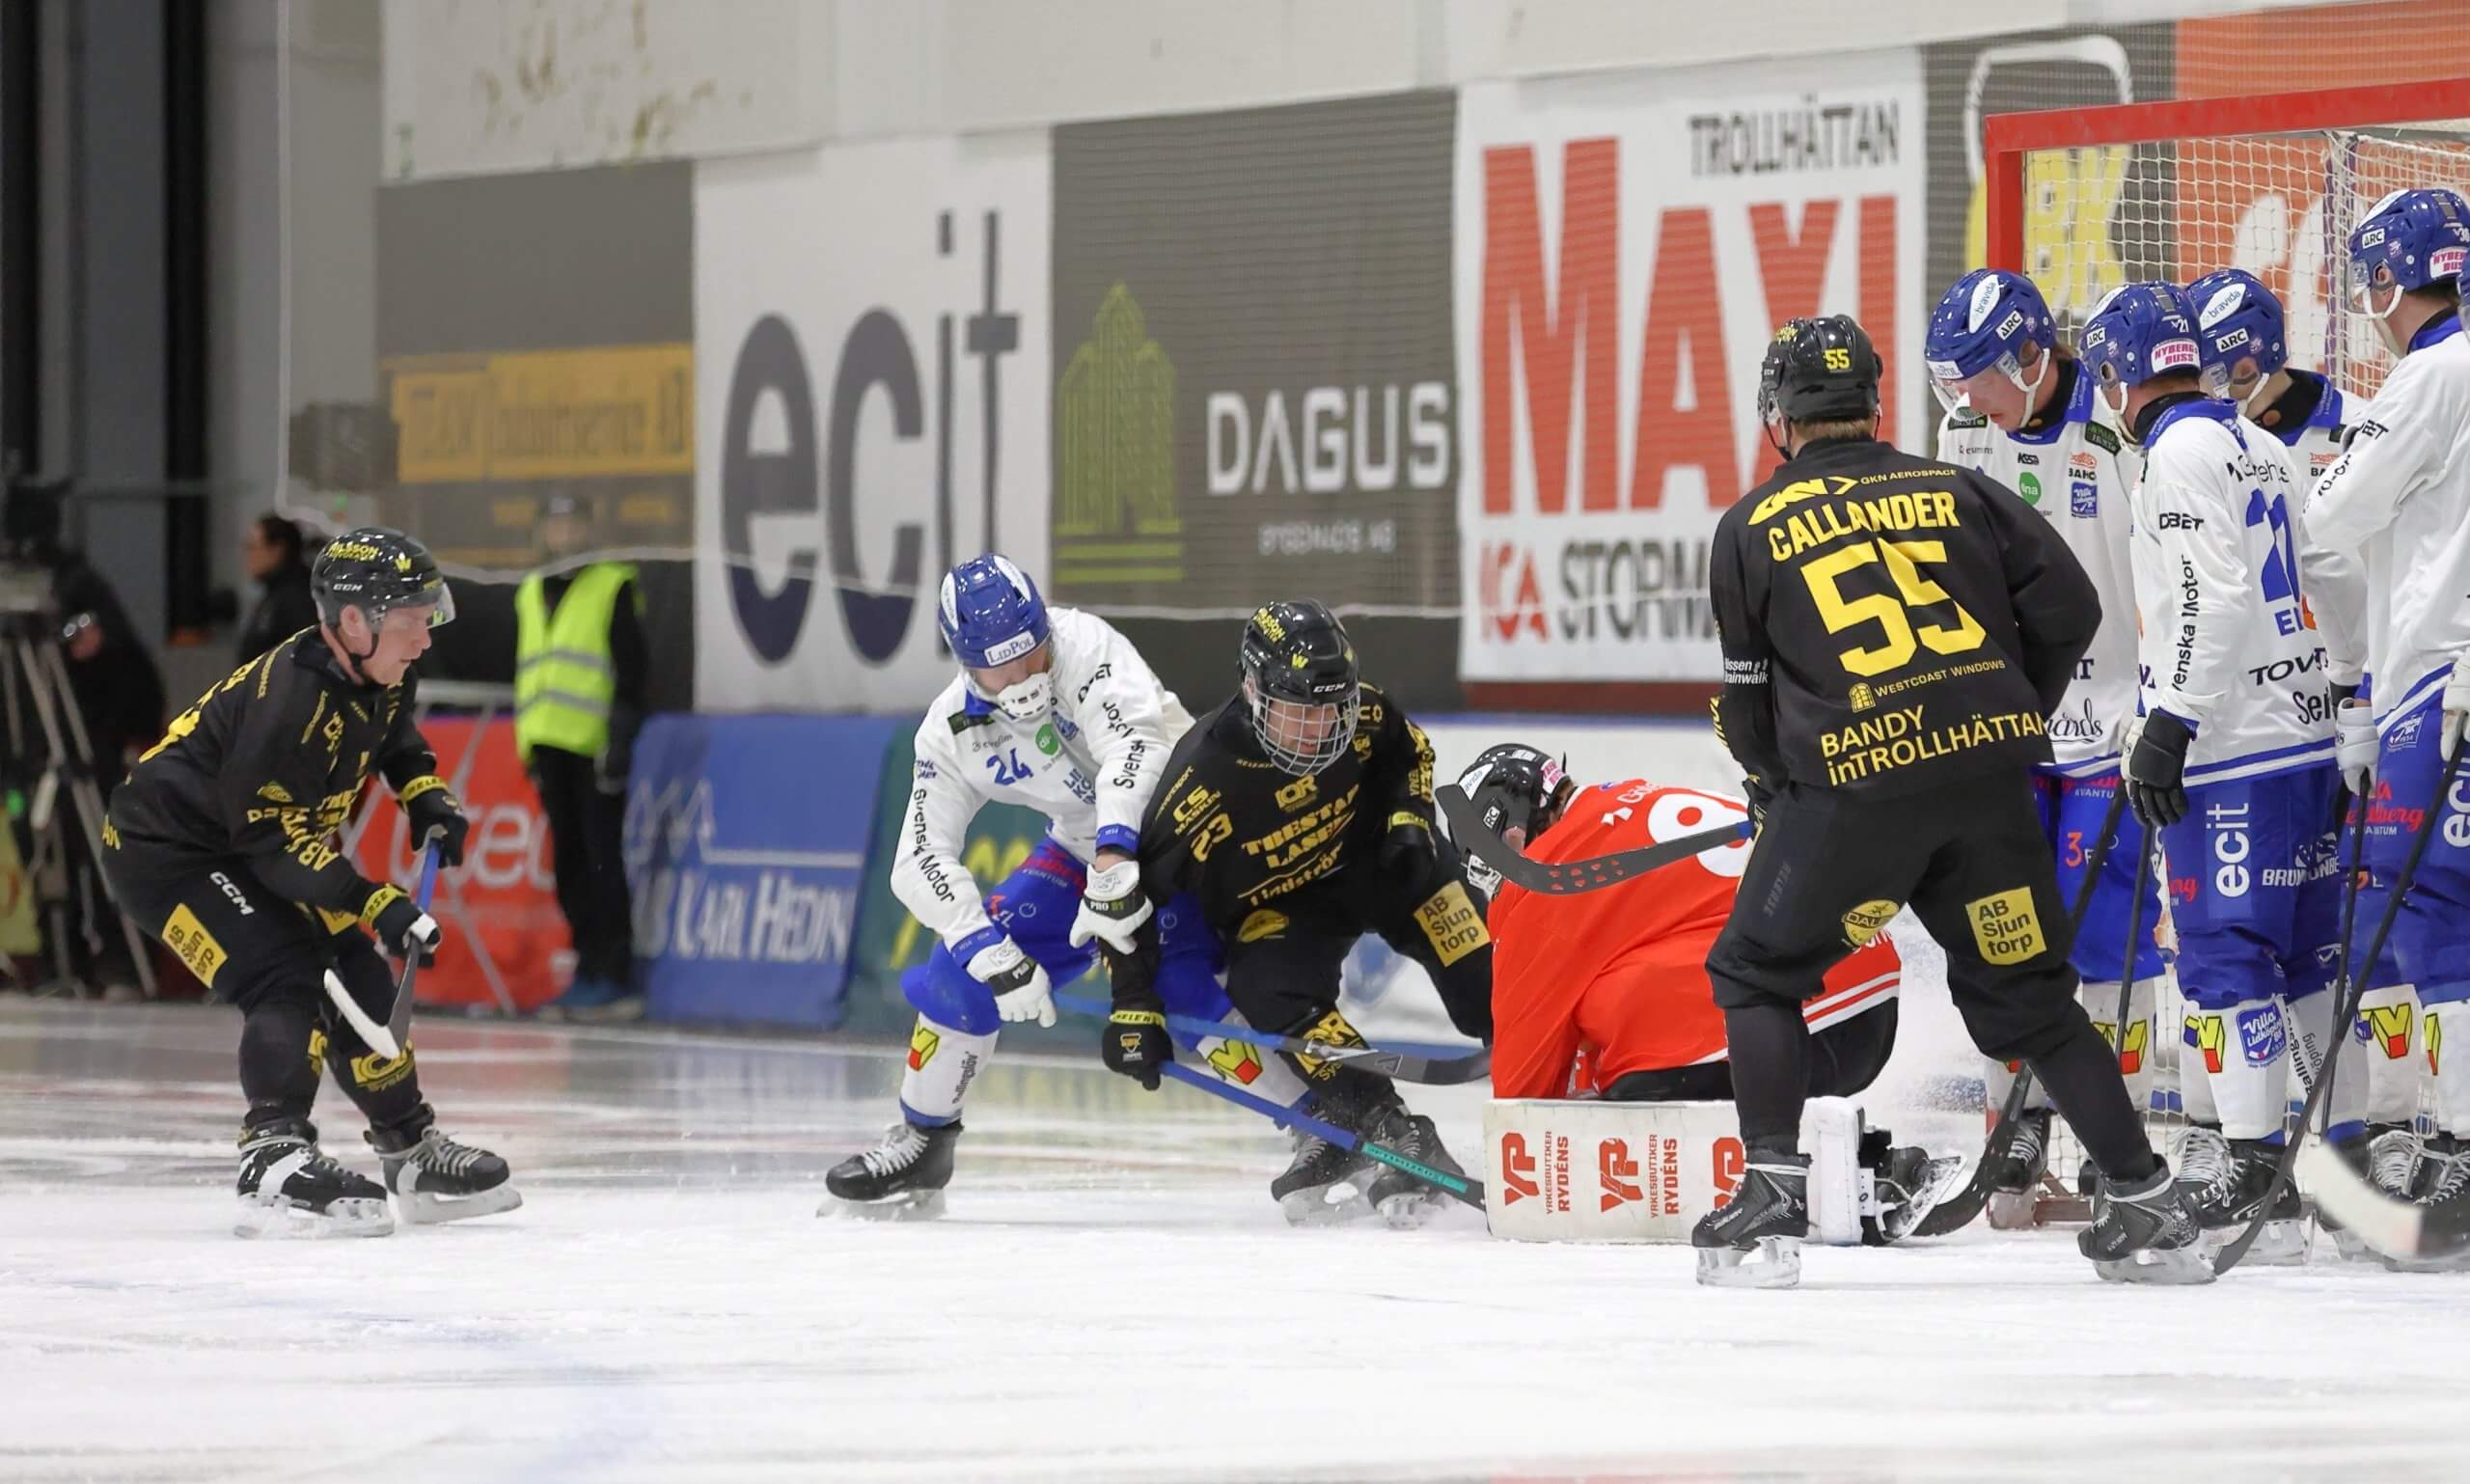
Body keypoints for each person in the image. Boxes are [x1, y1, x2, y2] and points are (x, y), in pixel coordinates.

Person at [1698, 313, 2206, 1287]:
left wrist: (1772, 787)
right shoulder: (1957, 487)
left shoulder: (1750, 526)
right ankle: (2144, 1194)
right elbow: (2072, 609)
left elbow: (1747, 702)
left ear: (1778, 418)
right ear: (1874, 405)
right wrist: (2004, 713)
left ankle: (1771, 1190)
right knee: (2034, 999)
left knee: (1755, 970)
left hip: (1853, 793)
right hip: (1985, 789)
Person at [820, 554, 1304, 1219]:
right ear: (966, 663)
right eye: (1001, 667)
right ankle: (924, 1140)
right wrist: (988, 950)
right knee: (958, 974)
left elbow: (1134, 747)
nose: (1023, 677)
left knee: (1182, 986)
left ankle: (1319, 1125)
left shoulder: (1085, 645)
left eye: (1031, 653)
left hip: (1186, 833)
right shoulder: (949, 731)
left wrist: (1115, 853)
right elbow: (919, 856)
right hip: (1081, 853)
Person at [97, 527, 515, 1238]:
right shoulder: (289, 703)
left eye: (428, 618)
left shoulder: (382, 664)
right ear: (354, 620)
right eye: (412, 621)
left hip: (249, 843)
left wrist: (424, 795)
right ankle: (272, 1153)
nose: (424, 639)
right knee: (285, 973)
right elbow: (270, 843)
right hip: (167, 855)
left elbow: (394, 735)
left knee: (356, 970)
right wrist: (374, 901)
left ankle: (408, 1147)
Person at [2082, 281, 2354, 1265]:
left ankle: (2254, 1171)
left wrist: (2172, 721)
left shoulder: (2175, 453)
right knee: (2311, 959)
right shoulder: (2261, 442)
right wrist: (2348, 691)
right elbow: (2332, 572)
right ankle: (2344, 1168)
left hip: (2236, 747)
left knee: (2225, 955)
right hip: (2306, 735)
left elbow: (2212, 594)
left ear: (2120, 376)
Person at [1102, 599, 1493, 1228]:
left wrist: (1411, 817)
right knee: (1265, 989)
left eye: (1332, 712)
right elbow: (1131, 895)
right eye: (1298, 714)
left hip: (1389, 865)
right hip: (1291, 906)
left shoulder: (1367, 711)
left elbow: (1410, 748)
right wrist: (1131, 1002)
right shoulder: (1201, 779)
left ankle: (1566, 1088)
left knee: (1488, 983)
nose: (1319, 731)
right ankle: (1385, 1124)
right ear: (1253, 692)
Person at [1926, 269, 2164, 1205]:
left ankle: (2118, 1136)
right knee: (2001, 928)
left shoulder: (2117, 426)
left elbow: (2162, 569)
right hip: (2010, 726)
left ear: (2031, 356)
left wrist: (2160, 698)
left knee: (2108, 938)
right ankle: (2014, 1123)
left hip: (2112, 717)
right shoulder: (1961, 431)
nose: (1965, 395)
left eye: (1977, 373)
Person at [2187, 265, 2422, 1203]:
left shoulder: (2363, 424)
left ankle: (2384, 1132)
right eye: (2211, 371)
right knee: (2244, 932)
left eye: (2240, 368)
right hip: (2260, 719)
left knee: (2363, 921)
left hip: (2363, 703)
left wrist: (2364, 688)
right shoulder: (2204, 442)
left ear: (2271, 350)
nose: (2227, 386)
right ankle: (2235, 1134)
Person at [2298, 187, 2470, 1248]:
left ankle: (2461, 1146)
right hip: (2437, 674)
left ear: (2390, 278)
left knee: (2437, 912)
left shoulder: (2430, 376)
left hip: (2442, 677)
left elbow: (2328, 516)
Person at [518, 496, 646, 1021]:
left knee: (600, 859)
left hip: (592, 746)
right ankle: (587, 968)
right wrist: (527, 743)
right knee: (568, 862)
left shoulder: (612, 584)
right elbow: (530, 667)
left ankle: (614, 974)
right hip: (547, 742)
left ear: (590, 529)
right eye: (555, 524)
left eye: (573, 523)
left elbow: (632, 673)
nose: (564, 534)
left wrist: (619, 739)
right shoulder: (531, 589)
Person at [234, 513, 319, 665]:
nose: (249, 556)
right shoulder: (276, 593)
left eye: (252, 547)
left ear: (277, 550)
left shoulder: (297, 598)